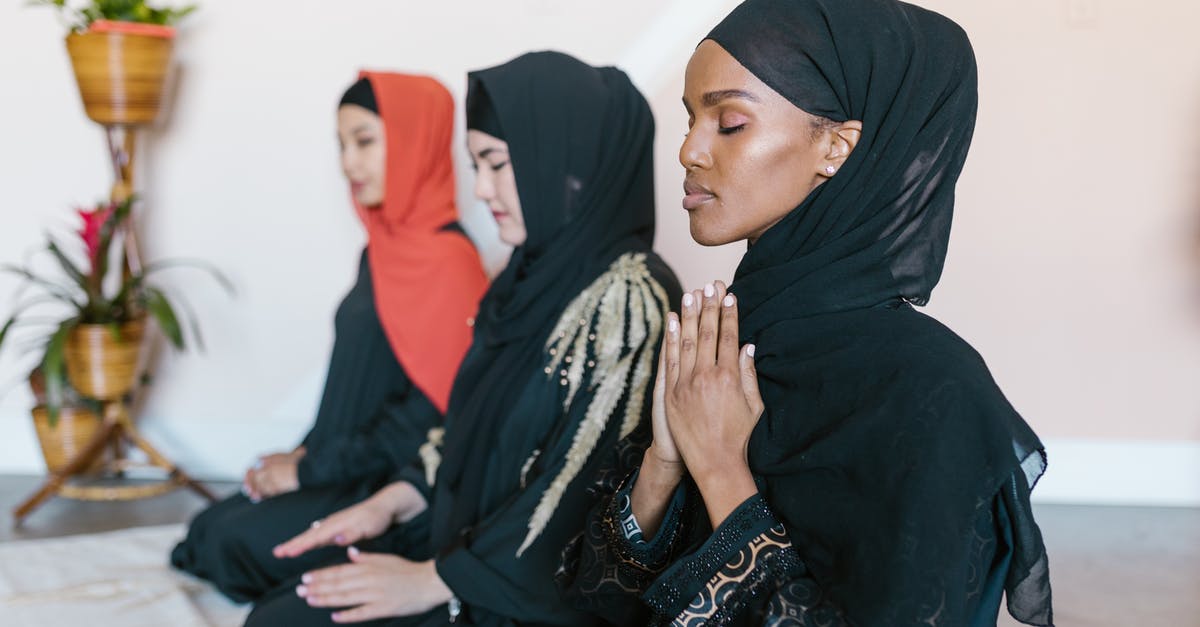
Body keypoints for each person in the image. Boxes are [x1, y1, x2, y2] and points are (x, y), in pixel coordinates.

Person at [560, 1, 1055, 625]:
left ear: (837, 148)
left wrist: (719, 470)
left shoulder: (931, 390)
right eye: (690, 119)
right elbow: (592, 603)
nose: (689, 150)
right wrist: (663, 461)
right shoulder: (724, 340)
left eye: (730, 121)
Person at [243, 51, 683, 626]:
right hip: (463, 539)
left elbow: (577, 496)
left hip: (521, 587)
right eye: (477, 164)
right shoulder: (525, 280)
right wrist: (390, 502)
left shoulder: (630, 297)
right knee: (282, 604)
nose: (479, 189)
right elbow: (472, 430)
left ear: (564, 161)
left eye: (498, 163)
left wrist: (435, 580)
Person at [171, 72, 488, 603]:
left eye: (365, 140)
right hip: (338, 465)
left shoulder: (449, 264)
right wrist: (301, 458)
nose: (348, 163)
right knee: (207, 529)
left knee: (230, 543)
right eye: (341, 144)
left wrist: (308, 471)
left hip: (388, 488)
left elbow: (433, 422)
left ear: (415, 141)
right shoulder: (382, 249)